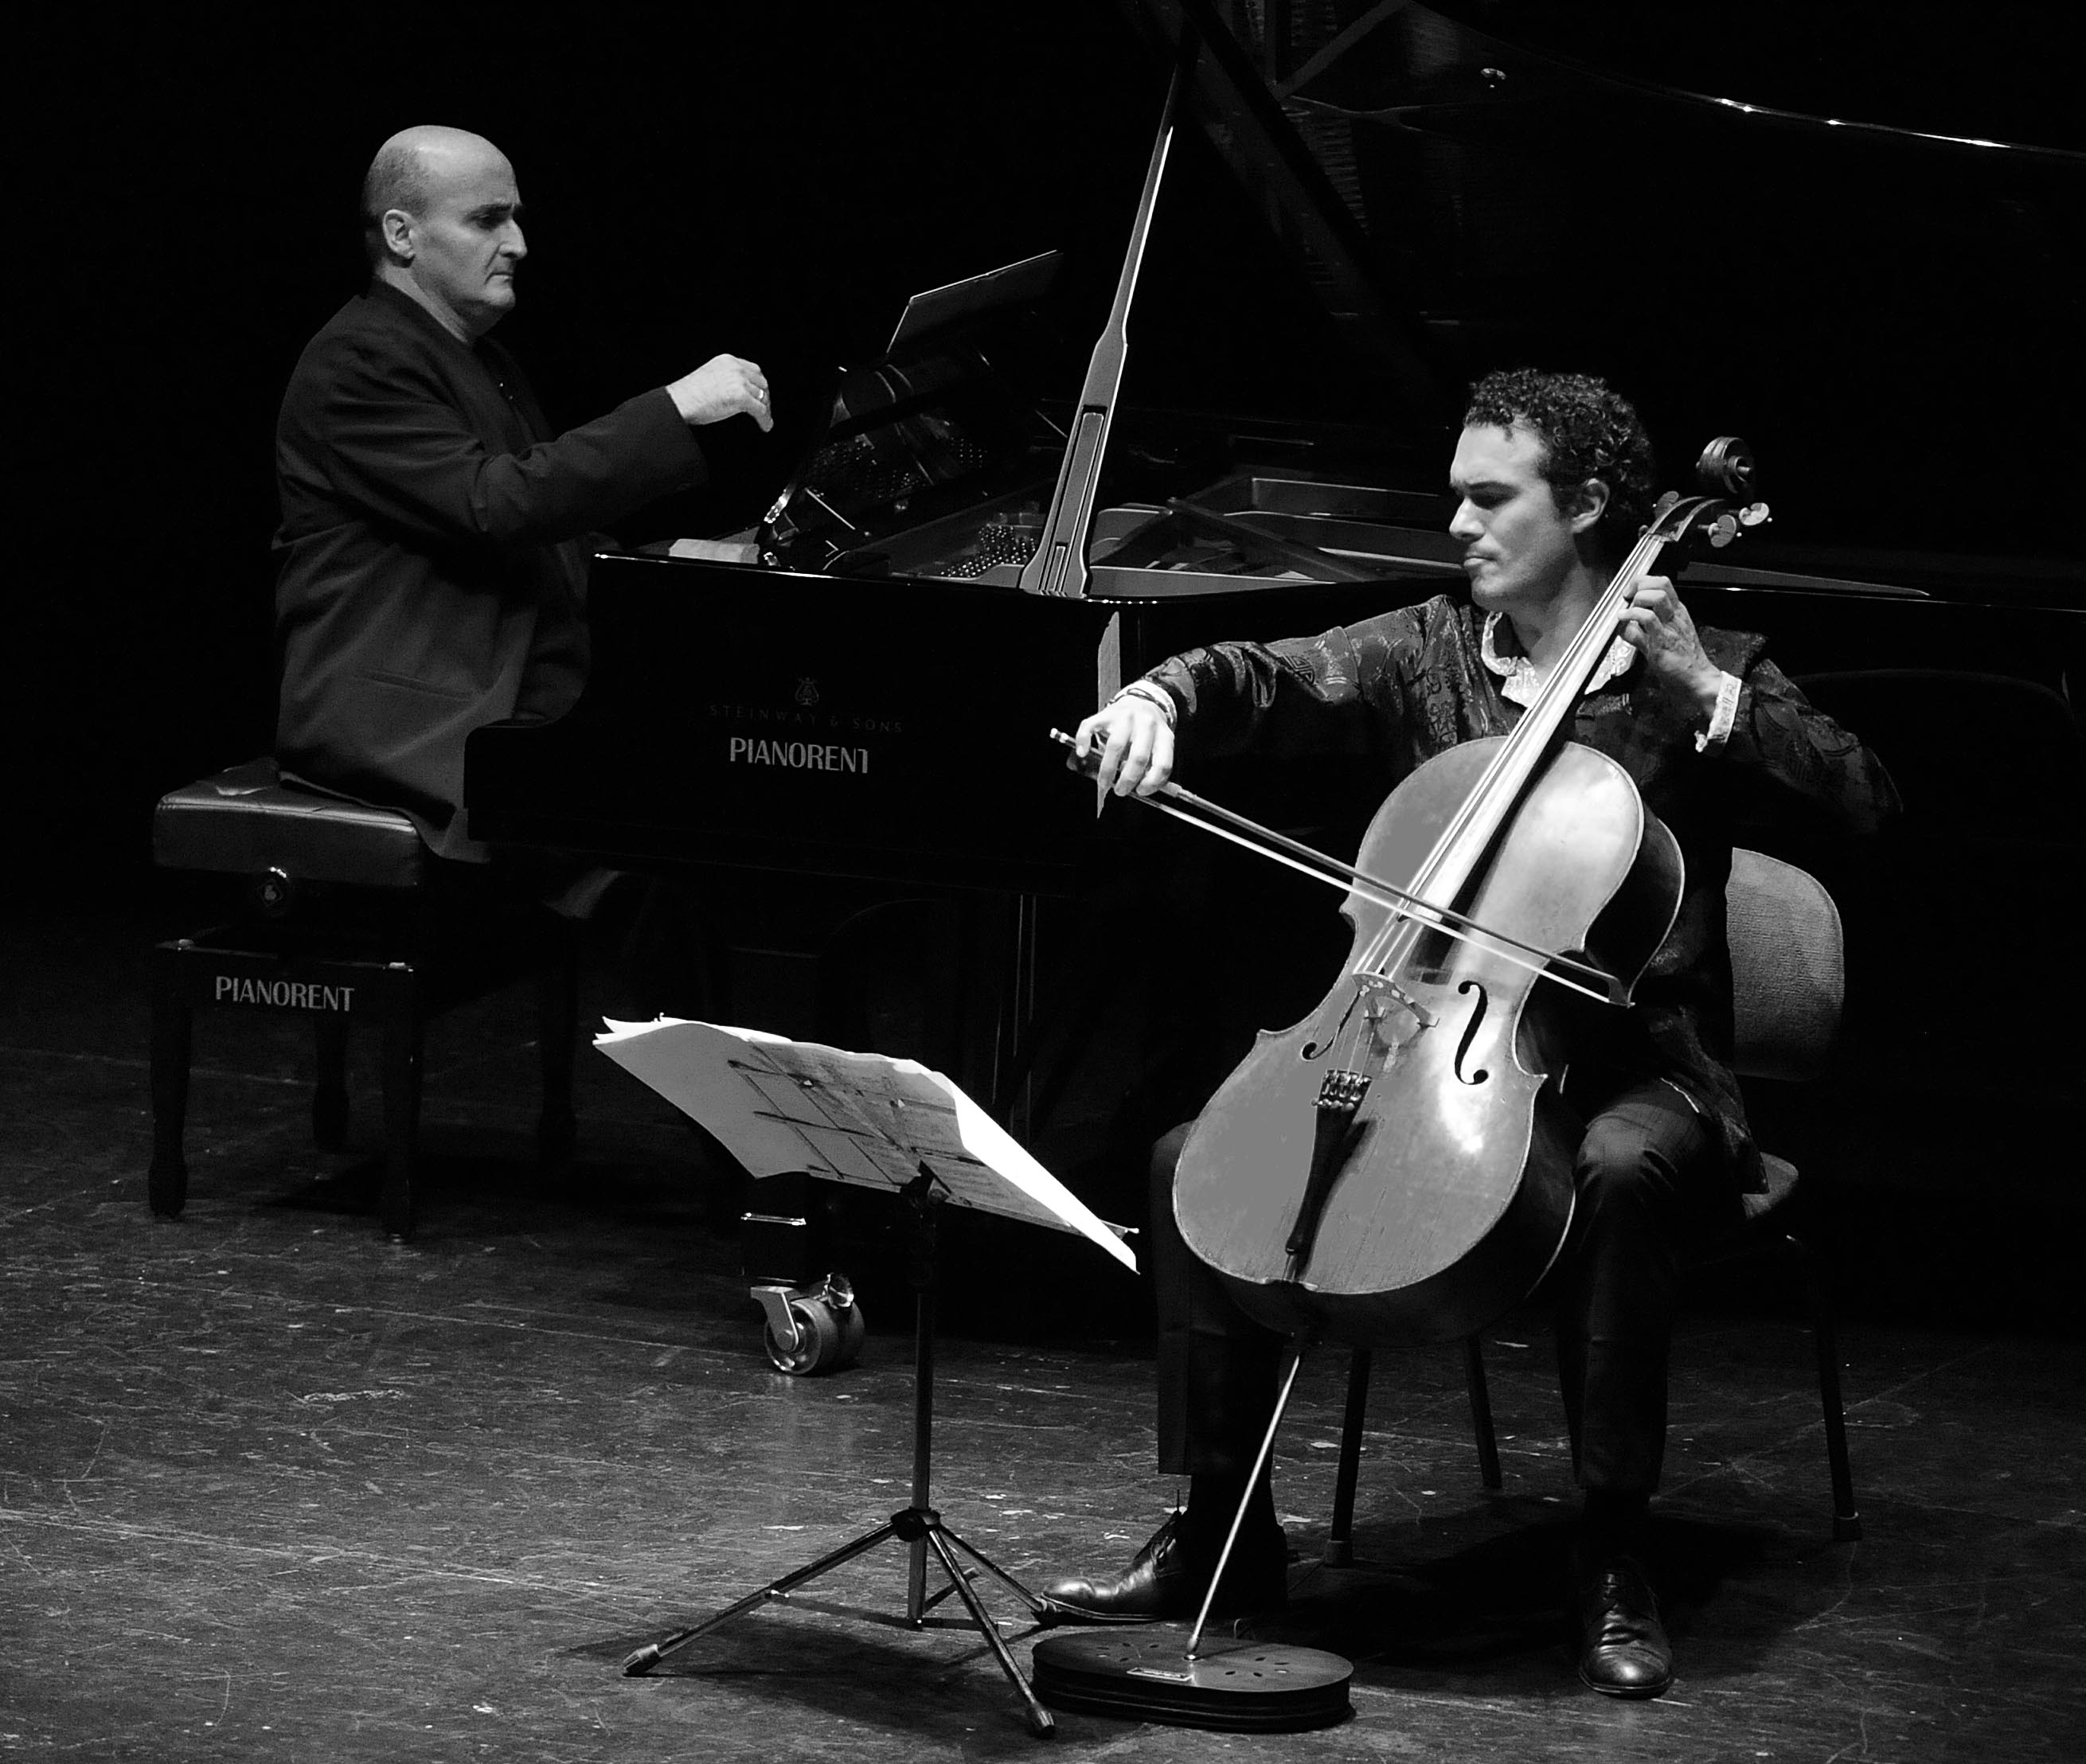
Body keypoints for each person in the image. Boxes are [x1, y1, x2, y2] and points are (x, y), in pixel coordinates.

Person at [1041, 369, 1900, 1699]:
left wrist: (1698, 694)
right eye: (1455, 497)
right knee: (1180, 1158)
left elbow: (1864, 803)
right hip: (1434, 1044)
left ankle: (1613, 1555)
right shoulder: (1430, 647)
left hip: (1638, 1064)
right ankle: (1223, 1530)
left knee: (1614, 1174)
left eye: (1492, 499)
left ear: (1594, 507)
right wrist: (1153, 705)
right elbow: (1263, 677)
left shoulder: (1699, 671)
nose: (1459, 525)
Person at [272, 124, 773, 868]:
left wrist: (684, 559)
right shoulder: (359, 360)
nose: (517, 244)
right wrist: (673, 406)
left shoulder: (475, 357)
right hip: (414, 716)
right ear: (401, 234)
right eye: (486, 220)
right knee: (676, 812)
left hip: (510, 684)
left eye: (516, 218)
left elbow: (548, 538)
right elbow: (496, 506)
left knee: (710, 791)